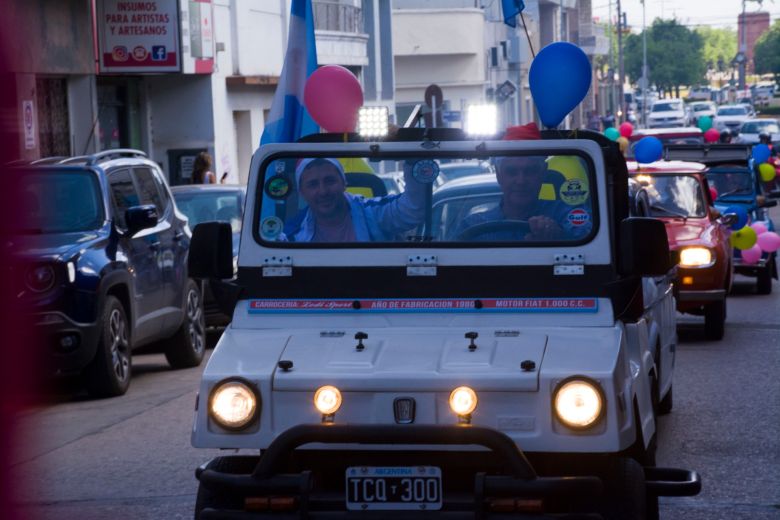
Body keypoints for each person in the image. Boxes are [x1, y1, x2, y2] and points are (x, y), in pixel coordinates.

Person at [453, 122, 593, 241]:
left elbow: (590, 238)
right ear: (498, 175)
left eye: (530, 171)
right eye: (512, 171)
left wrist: (559, 235)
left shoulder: (563, 213)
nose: (521, 181)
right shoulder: (473, 226)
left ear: (543, 172)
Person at [282, 158, 426, 242]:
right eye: (313, 184)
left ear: (344, 183)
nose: (323, 191)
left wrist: (413, 161)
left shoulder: (372, 213)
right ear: (301, 192)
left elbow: (413, 210)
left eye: (330, 181)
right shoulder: (291, 234)